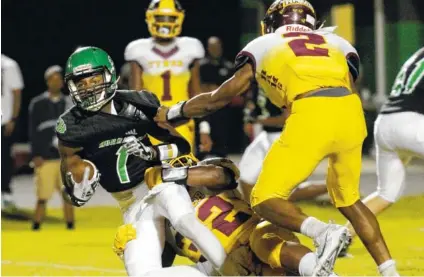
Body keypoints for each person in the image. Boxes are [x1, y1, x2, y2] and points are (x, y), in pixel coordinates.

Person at [154, 1, 399, 275]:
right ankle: (389, 270)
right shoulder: (339, 43)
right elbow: (347, 83)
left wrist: (176, 110)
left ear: (273, 23)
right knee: (349, 200)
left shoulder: (267, 42)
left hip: (312, 111)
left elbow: (220, 97)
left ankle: (322, 231)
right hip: (352, 114)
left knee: (263, 197)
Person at [56, 46, 228, 277]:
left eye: (94, 78)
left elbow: (181, 146)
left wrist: (151, 153)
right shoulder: (72, 125)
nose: (88, 87)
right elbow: (69, 173)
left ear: (109, 75)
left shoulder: (137, 103)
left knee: (185, 221)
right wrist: (75, 189)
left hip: (159, 183)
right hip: (131, 205)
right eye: (81, 83)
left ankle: (233, 271)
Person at [113, 155, 339, 276]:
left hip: (254, 236)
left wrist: (174, 175)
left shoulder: (212, 178)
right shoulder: (165, 216)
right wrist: (133, 244)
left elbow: (225, 174)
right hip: (225, 269)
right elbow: (156, 266)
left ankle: (321, 273)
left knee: (265, 244)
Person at [346, 47, 424, 238]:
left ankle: (341, 236)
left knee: (386, 193)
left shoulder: (418, 54)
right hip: (410, 122)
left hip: (386, 123)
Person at [125, 0, 211, 152]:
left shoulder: (191, 47)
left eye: (170, 18)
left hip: (182, 120)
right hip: (151, 122)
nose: (165, 23)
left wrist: (204, 128)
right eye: (160, 18)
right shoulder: (138, 50)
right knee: (151, 170)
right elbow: (135, 96)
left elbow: (197, 94)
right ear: (150, 18)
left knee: (184, 169)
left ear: (179, 18)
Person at [239, 82, 328, 203]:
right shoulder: (258, 81)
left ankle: (336, 185)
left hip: (286, 136)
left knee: (280, 192)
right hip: (266, 135)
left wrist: (257, 121)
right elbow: (253, 104)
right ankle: (253, 215)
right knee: (246, 176)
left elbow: (287, 117)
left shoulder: (283, 82)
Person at [28, 65, 74, 230]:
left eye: (59, 79)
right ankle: (36, 226)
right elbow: (32, 132)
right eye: (52, 79)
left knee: (68, 195)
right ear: (47, 82)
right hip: (45, 158)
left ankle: (70, 227)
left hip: (64, 158)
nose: (56, 82)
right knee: (42, 196)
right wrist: (35, 154)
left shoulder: (69, 103)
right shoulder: (37, 104)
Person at [197, 37, 235, 158]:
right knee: (203, 146)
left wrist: (215, 90)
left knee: (221, 148)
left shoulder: (229, 67)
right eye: (212, 47)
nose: (215, 50)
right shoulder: (200, 67)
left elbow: (233, 89)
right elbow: (197, 88)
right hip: (204, 111)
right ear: (208, 49)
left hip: (222, 111)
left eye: (217, 47)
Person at [1, 54, 24, 210]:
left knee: (4, 158)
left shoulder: (9, 64)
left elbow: (16, 92)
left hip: (4, 120)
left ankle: (5, 192)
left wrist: (13, 118)